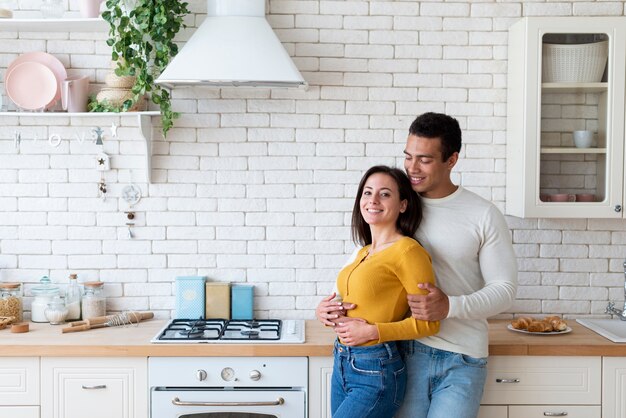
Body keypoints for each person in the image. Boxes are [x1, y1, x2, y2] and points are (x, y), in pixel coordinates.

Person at [317, 112, 518, 418]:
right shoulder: (395, 202)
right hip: (406, 351)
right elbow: (366, 260)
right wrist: (330, 305)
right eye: (408, 157)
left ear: (451, 160)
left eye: (424, 159)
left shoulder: (483, 214)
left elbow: (504, 289)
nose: (412, 167)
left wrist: (450, 306)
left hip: (463, 357)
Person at [328, 165, 440, 418]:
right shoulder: (363, 252)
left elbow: (429, 325)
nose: (373, 200)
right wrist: (327, 312)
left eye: (385, 194)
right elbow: (355, 302)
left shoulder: (408, 251)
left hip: (376, 368)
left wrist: (373, 331)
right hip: (343, 360)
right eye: (367, 193)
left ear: (403, 204)